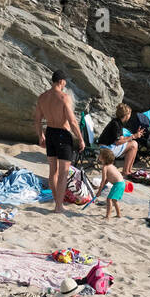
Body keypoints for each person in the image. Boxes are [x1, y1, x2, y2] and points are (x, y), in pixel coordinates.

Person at [36, 70, 84, 214]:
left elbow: (37, 119)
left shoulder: (42, 97)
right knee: (63, 172)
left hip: (50, 132)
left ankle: (57, 202)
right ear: (61, 81)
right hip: (63, 134)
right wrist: (80, 138)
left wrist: (41, 136)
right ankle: (58, 206)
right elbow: (72, 121)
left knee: (53, 171)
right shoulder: (64, 97)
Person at [97, 103, 142, 175]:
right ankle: (126, 171)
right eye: (130, 114)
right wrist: (133, 136)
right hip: (105, 149)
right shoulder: (116, 124)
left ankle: (128, 170)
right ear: (127, 115)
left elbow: (121, 138)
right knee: (134, 144)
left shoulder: (117, 122)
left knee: (134, 144)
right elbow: (118, 142)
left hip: (107, 146)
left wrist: (134, 135)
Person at [94, 150, 126, 220]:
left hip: (118, 184)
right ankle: (118, 214)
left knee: (109, 199)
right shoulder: (111, 166)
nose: (98, 156)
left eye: (100, 155)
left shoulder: (105, 167)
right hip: (122, 183)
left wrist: (99, 191)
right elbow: (107, 179)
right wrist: (104, 183)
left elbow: (103, 180)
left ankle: (108, 216)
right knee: (114, 200)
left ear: (104, 158)